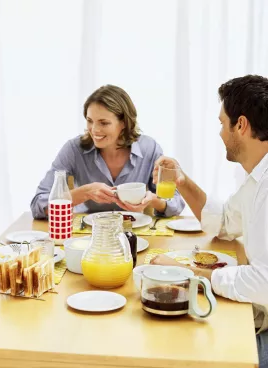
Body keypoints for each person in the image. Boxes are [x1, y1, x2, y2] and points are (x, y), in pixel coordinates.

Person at [150, 75, 268, 367]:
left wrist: (186, 272)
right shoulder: (257, 180)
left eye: (221, 123)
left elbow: (263, 283)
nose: (219, 133)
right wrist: (181, 180)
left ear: (240, 125)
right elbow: (225, 222)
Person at [31, 85, 185, 218]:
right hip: (87, 236)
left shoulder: (149, 148)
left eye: (104, 123)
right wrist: (84, 193)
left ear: (124, 123)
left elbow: (176, 203)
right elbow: (38, 204)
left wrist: (154, 201)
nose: (95, 130)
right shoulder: (73, 149)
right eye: (90, 121)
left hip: (136, 235)